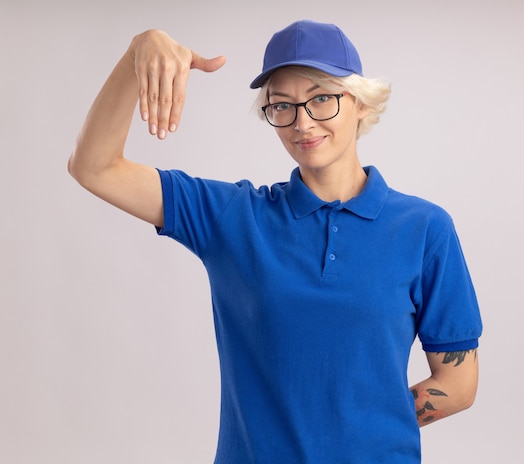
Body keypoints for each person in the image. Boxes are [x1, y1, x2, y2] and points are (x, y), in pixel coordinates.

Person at [69, 19, 482, 463]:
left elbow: (458, 385)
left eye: (321, 98)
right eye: (282, 105)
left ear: (360, 102)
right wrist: (137, 53)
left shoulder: (424, 228)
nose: (302, 122)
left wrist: (358, 432)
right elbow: (94, 167)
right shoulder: (231, 217)